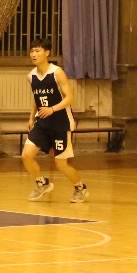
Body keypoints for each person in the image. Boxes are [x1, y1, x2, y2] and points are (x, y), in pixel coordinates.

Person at [22, 38, 88, 203]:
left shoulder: (57, 72)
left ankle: (80, 188)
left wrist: (52, 109)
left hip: (60, 123)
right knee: (26, 155)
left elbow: (70, 98)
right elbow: (36, 98)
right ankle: (42, 183)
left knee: (61, 164)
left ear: (47, 53)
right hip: (42, 123)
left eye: (37, 51)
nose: (34, 54)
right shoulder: (31, 76)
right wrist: (31, 117)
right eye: (32, 51)